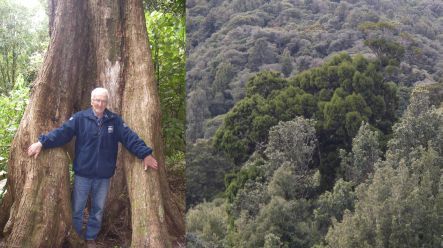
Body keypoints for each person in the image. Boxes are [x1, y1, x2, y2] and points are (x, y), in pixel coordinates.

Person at [27, 87, 157, 247]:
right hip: (83, 173)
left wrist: (145, 153)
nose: (100, 103)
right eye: (97, 100)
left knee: (98, 209)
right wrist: (42, 142)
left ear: (107, 102)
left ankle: (90, 237)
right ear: (91, 101)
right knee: (77, 208)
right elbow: (62, 133)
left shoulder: (114, 121)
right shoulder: (80, 118)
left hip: (103, 175)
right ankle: (76, 235)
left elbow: (130, 137)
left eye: (103, 101)